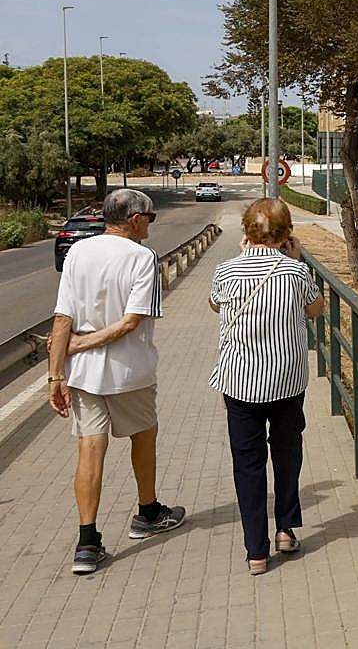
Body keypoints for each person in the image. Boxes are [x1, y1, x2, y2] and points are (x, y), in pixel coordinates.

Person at [48, 188, 187, 575]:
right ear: (136, 218)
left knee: (90, 450)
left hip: (84, 377)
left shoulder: (78, 252)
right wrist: (80, 346)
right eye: (150, 218)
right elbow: (131, 321)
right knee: (144, 435)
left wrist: (57, 372)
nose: (150, 226)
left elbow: (62, 318)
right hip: (130, 372)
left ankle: (87, 542)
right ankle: (147, 512)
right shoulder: (142, 258)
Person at [209, 198, 325, 575]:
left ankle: (256, 551)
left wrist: (244, 257)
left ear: (245, 231)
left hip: (240, 383)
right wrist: (297, 259)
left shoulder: (226, 271)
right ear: (287, 233)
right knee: (287, 453)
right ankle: (286, 530)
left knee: (248, 464)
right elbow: (316, 309)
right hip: (288, 380)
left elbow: (215, 305)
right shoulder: (295, 274)